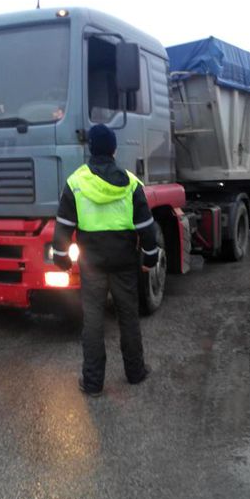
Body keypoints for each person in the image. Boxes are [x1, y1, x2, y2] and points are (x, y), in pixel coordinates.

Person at [53, 124, 158, 397]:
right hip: (124, 263)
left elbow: (63, 226)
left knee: (93, 321)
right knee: (128, 317)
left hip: (92, 266)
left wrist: (62, 259)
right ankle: (135, 373)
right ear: (113, 149)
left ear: (90, 149)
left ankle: (92, 383)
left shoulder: (75, 183)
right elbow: (146, 226)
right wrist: (150, 256)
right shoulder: (131, 183)